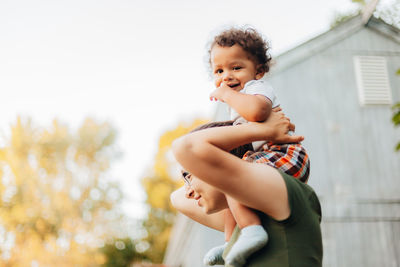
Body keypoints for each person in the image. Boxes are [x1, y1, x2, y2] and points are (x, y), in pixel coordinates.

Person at [203, 27, 310, 266]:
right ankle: (232, 241)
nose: (226, 76)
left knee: (232, 176)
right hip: (263, 157)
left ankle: (252, 230)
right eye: (219, 70)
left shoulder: (256, 90)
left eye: (236, 68)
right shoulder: (240, 97)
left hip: (283, 154)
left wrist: (226, 96)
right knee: (228, 180)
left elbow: (258, 111)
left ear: (259, 71)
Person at [170, 111, 323, 267]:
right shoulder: (246, 218)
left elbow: (186, 146)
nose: (187, 192)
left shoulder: (278, 191)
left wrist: (264, 130)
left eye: (189, 176)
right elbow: (176, 198)